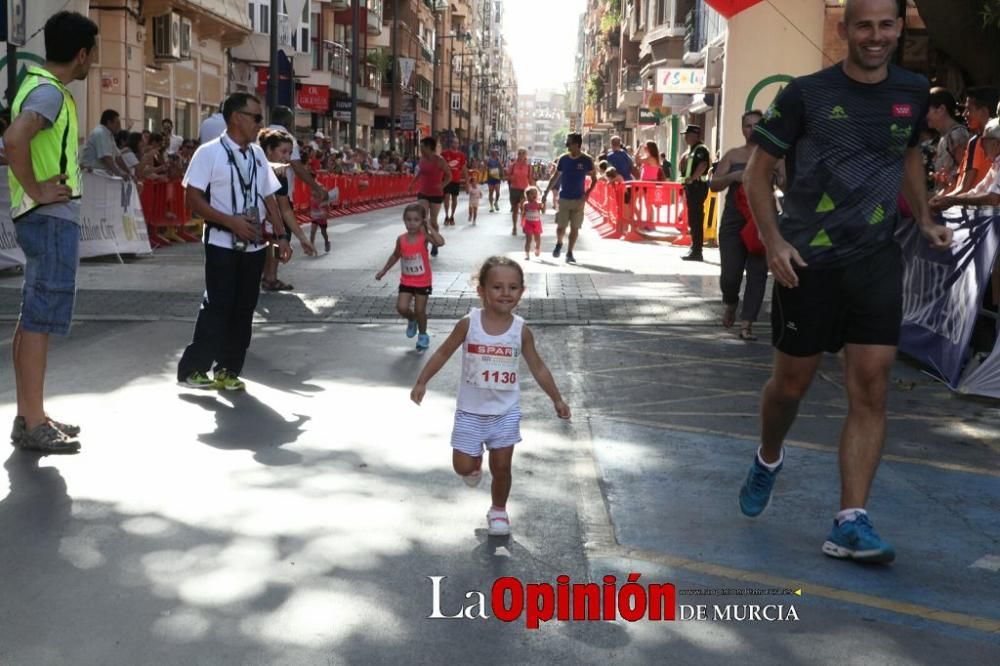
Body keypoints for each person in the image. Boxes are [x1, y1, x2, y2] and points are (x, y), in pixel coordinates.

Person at [739, 0, 952, 564]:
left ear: (899, 29)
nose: (876, 36)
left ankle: (850, 519)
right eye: (864, 25)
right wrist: (775, 239)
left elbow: (907, 155)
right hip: (807, 262)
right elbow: (759, 172)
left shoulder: (911, 90)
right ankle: (768, 455)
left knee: (872, 387)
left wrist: (924, 215)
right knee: (790, 388)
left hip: (875, 261)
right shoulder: (805, 94)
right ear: (845, 30)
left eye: (886, 25)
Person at [409, 256, 571, 536]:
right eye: (497, 287)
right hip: (470, 411)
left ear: (521, 291)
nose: (505, 293)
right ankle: (474, 464)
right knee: (462, 466)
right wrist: (423, 380)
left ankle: (498, 510)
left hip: (505, 412)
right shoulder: (468, 324)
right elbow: (444, 351)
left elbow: (538, 366)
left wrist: (556, 398)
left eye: (513, 287)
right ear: (481, 290)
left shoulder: (521, 330)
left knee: (503, 467)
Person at [4, 10, 99, 452]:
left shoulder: (34, 84)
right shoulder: (51, 94)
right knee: (40, 321)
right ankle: (35, 420)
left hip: (37, 217)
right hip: (49, 218)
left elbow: (14, 143)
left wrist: (30, 188)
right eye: (91, 56)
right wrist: (38, 190)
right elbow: (15, 138)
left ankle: (29, 415)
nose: (92, 64)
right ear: (81, 54)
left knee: (32, 317)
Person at [176, 92, 291, 391]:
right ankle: (193, 369)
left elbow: (269, 197)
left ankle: (228, 368)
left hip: (254, 245)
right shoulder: (209, 153)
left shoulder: (256, 155)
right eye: (255, 117)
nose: (259, 124)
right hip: (221, 242)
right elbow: (193, 199)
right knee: (218, 305)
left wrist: (281, 236)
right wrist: (231, 222)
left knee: (244, 308)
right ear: (236, 117)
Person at [710, 110, 772, 340]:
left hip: (762, 220)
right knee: (730, 274)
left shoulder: (773, 155)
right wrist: (731, 178)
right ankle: (731, 302)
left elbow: (787, 183)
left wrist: (778, 175)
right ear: (742, 129)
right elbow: (713, 184)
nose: (752, 130)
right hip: (733, 221)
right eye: (748, 126)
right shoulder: (733, 155)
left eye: (757, 125)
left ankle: (747, 324)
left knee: (757, 274)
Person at [375, 203, 445, 351]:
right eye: (408, 219)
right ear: (404, 220)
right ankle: (411, 319)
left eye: (416, 220)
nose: (411, 223)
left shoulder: (424, 237)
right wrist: (384, 270)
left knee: (420, 310)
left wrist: (429, 226)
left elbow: (440, 242)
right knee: (401, 307)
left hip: (423, 281)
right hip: (407, 280)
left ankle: (423, 335)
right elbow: (395, 255)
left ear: (421, 221)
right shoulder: (401, 239)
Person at [258, 128, 316, 291]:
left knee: (276, 242)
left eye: (290, 153)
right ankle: (268, 277)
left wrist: (303, 238)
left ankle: (271, 276)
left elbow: (285, 210)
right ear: (269, 150)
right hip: (245, 225)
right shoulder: (255, 165)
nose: (287, 157)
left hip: (269, 222)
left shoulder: (281, 175)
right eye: (283, 152)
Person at [542, 132, 596, 264]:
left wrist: (588, 192)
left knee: (575, 228)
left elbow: (595, 178)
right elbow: (555, 176)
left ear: (577, 144)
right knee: (561, 227)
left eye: (569, 143)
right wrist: (545, 192)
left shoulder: (587, 160)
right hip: (564, 198)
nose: (567, 146)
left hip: (579, 199)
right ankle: (559, 243)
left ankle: (570, 252)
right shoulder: (563, 159)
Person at [269, 106, 328, 218]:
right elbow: (297, 167)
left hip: (261, 198)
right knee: (282, 232)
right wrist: (316, 187)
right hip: (281, 198)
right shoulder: (288, 138)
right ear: (288, 122)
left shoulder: (259, 135)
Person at [930, 118, 1000, 209]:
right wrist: (946, 200)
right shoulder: (995, 164)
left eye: (983, 142)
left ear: (996, 144)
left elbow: (992, 199)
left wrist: (952, 200)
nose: (981, 147)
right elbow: (976, 192)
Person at [945, 87, 1000, 196]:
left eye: (969, 109)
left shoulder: (976, 142)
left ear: (984, 111)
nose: (964, 114)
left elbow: (964, 188)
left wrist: (944, 201)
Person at [407, 137, 451, 257]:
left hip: (436, 194)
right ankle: (424, 244)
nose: (420, 150)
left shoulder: (440, 160)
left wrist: (442, 185)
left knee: (433, 221)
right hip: (423, 193)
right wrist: (412, 184)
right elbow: (420, 172)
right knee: (422, 219)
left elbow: (449, 175)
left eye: (422, 147)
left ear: (429, 147)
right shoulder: (422, 159)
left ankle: (435, 243)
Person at [925, 88, 969, 193]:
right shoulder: (945, 136)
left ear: (941, 109)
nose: (924, 115)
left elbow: (966, 172)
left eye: (926, 110)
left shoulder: (957, 135)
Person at [679, 125, 711, 261]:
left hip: (698, 187)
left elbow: (703, 165)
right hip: (692, 187)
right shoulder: (691, 149)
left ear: (695, 135)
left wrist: (692, 178)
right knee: (693, 219)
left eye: (688, 134)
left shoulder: (701, 149)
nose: (685, 137)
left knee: (696, 219)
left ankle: (697, 251)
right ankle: (694, 248)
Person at [79, 109, 130, 179]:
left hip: (101, 175)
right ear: (109, 122)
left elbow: (118, 157)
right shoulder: (101, 133)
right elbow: (106, 158)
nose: (120, 127)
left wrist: (128, 173)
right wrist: (120, 173)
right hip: (92, 174)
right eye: (117, 123)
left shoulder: (109, 135)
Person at [441, 137, 467, 226]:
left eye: (457, 143)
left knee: (454, 198)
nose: (456, 144)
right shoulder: (444, 153)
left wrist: (467, 182)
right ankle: (446, 215)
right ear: (451, 144)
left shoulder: (461, 155)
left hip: (456, 179)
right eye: (454, 143)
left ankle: (452, 216)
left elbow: (464, 168)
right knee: (446, 197)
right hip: (447, 179)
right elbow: (440, 165)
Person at [507, 147, 534, 235]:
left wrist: (535, 189)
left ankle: (523, 225)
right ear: (517, 155)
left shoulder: (529, 166)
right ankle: (514, 227)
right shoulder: (513, 165)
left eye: (523, 153)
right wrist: (511, 177)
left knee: (523, 209)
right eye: (519, 153)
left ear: (526, 155)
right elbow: (507, 176)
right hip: (514, 189)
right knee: (515, 209)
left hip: (524, 190)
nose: (521, 155)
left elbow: (530, 179)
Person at [520, 186, 544, 260]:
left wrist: (543, 205)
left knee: (538, 239)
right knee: (528, 239)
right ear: (527, 195)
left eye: (535, 194)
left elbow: (543, 211)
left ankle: (537, 248)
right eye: (532, 194)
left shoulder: (538, 204)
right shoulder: (525, 204)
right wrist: (523, 223)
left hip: (536, 223)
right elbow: (523, 214)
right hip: (528, 223)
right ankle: (527, 254)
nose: (534, 195)